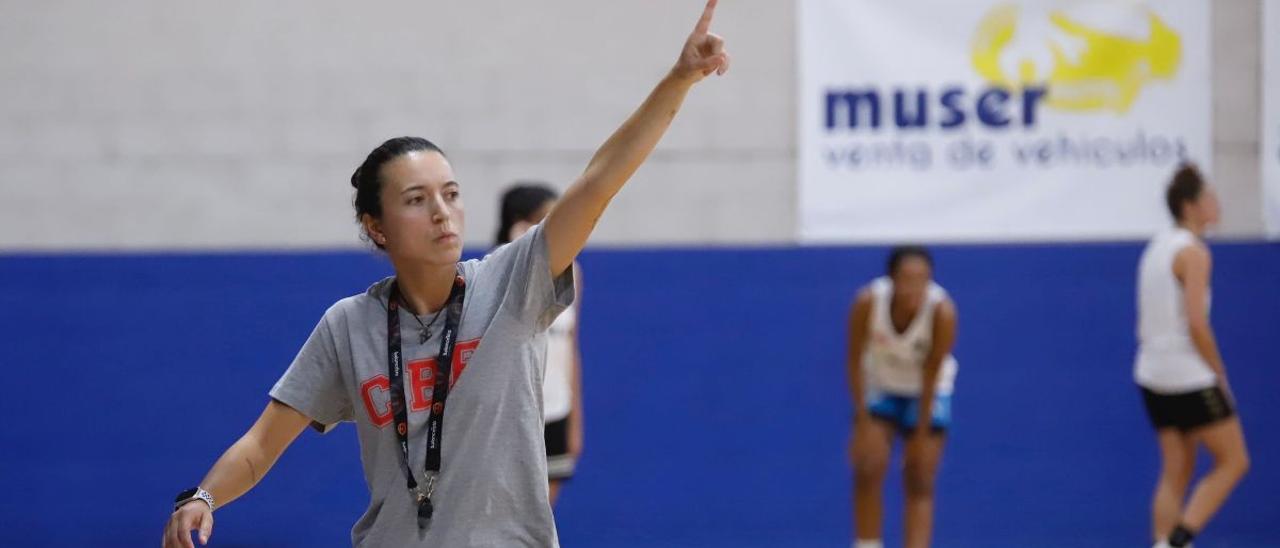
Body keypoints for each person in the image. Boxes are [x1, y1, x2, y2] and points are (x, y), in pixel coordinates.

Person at [162, 2, 730, 545]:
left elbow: (600, 181)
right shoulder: (348, 326)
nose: (441, 211)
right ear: (376, 227)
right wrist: (204, 498)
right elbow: (261, 445)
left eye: (451, 193)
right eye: (416, 198)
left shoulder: (514, 280)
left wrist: (678, 79)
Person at [1135, 163, 1249, 548]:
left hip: (1151, 372)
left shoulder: (1156, 246)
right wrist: (1219, 374)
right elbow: (1198, 324)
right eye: (1209, 198)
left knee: (1176, 468)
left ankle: (1162, 541)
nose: (1217, 204)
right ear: (1189, 206)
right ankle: (1178, 541)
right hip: (1186, 372)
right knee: (1234, 461)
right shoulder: (1193, 253)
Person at [847, 246, 958, 548]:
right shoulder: (868, 302)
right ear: (892, 280)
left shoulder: (942, 312)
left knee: (920, 475)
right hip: (881, 386)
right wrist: (862, 420)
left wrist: (921, 432)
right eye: (907, 279)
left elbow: (932, 371)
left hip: (927, 389)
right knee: (868, 465)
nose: (914, 288)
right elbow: (853, 359)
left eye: (922, 280)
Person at [495, 183, 584, 505]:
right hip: (511, 412)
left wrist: (575, 419)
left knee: (543, 513)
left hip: (556, 406)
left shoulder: (573, 272)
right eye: (543, 220)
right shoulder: (496, 271)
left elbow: (571, 348)